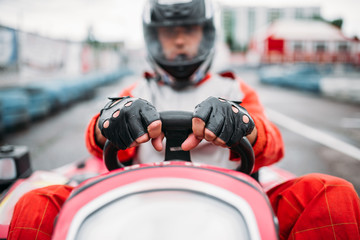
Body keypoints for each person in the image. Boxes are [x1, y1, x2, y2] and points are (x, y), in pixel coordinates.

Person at [7, 0, 360, 239]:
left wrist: (244, 125)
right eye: (168, 33)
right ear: (152, 37)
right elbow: (96, 142)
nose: (178, 41)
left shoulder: (235, 89)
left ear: (205, 34)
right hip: (139, 194)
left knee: (332, 193)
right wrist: (110, 123)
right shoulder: (135, 92)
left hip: (231, 196)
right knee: (36, 201)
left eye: (188, 31)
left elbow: (273, 147)